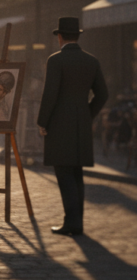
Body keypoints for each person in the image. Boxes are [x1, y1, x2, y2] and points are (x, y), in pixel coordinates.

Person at [37, 17, 108, 237]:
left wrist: (42, 121)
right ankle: (77, 221)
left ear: (59, 36)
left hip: (60, 124)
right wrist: (88, 114)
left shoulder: (56, 60)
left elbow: (50, 94)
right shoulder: (91, 60)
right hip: (81, 124)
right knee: (76, 173)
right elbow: (103, 94)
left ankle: (72, 223)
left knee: (64, 173)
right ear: (77, 36)